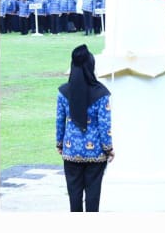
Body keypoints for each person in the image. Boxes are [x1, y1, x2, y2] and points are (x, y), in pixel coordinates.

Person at [56, 45, 113, 212]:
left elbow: (60, 121)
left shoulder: (63, 92)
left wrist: (59, 144)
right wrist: (108, 148)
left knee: (74, 197)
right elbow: (105, 125)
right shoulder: (101, 94)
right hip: (96, 153)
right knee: (93, 197)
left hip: (71, 151)